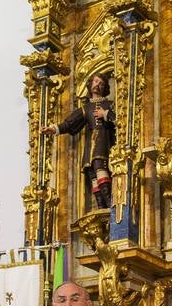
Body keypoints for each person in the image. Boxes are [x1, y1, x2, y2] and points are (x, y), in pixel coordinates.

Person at [42, 73, 116, 210]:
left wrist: (104, 114)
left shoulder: (109, 104)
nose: (97, 85)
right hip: (90, 146)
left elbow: (119, 118)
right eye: (95, 81)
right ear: (90, 84)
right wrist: (54, 129)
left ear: (105, 87)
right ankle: (101, 208)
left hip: (103, 142)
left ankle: (112, 207)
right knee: (92, 174)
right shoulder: (86, 108)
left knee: (100, 168)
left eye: (101, 83)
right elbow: (70, 123)